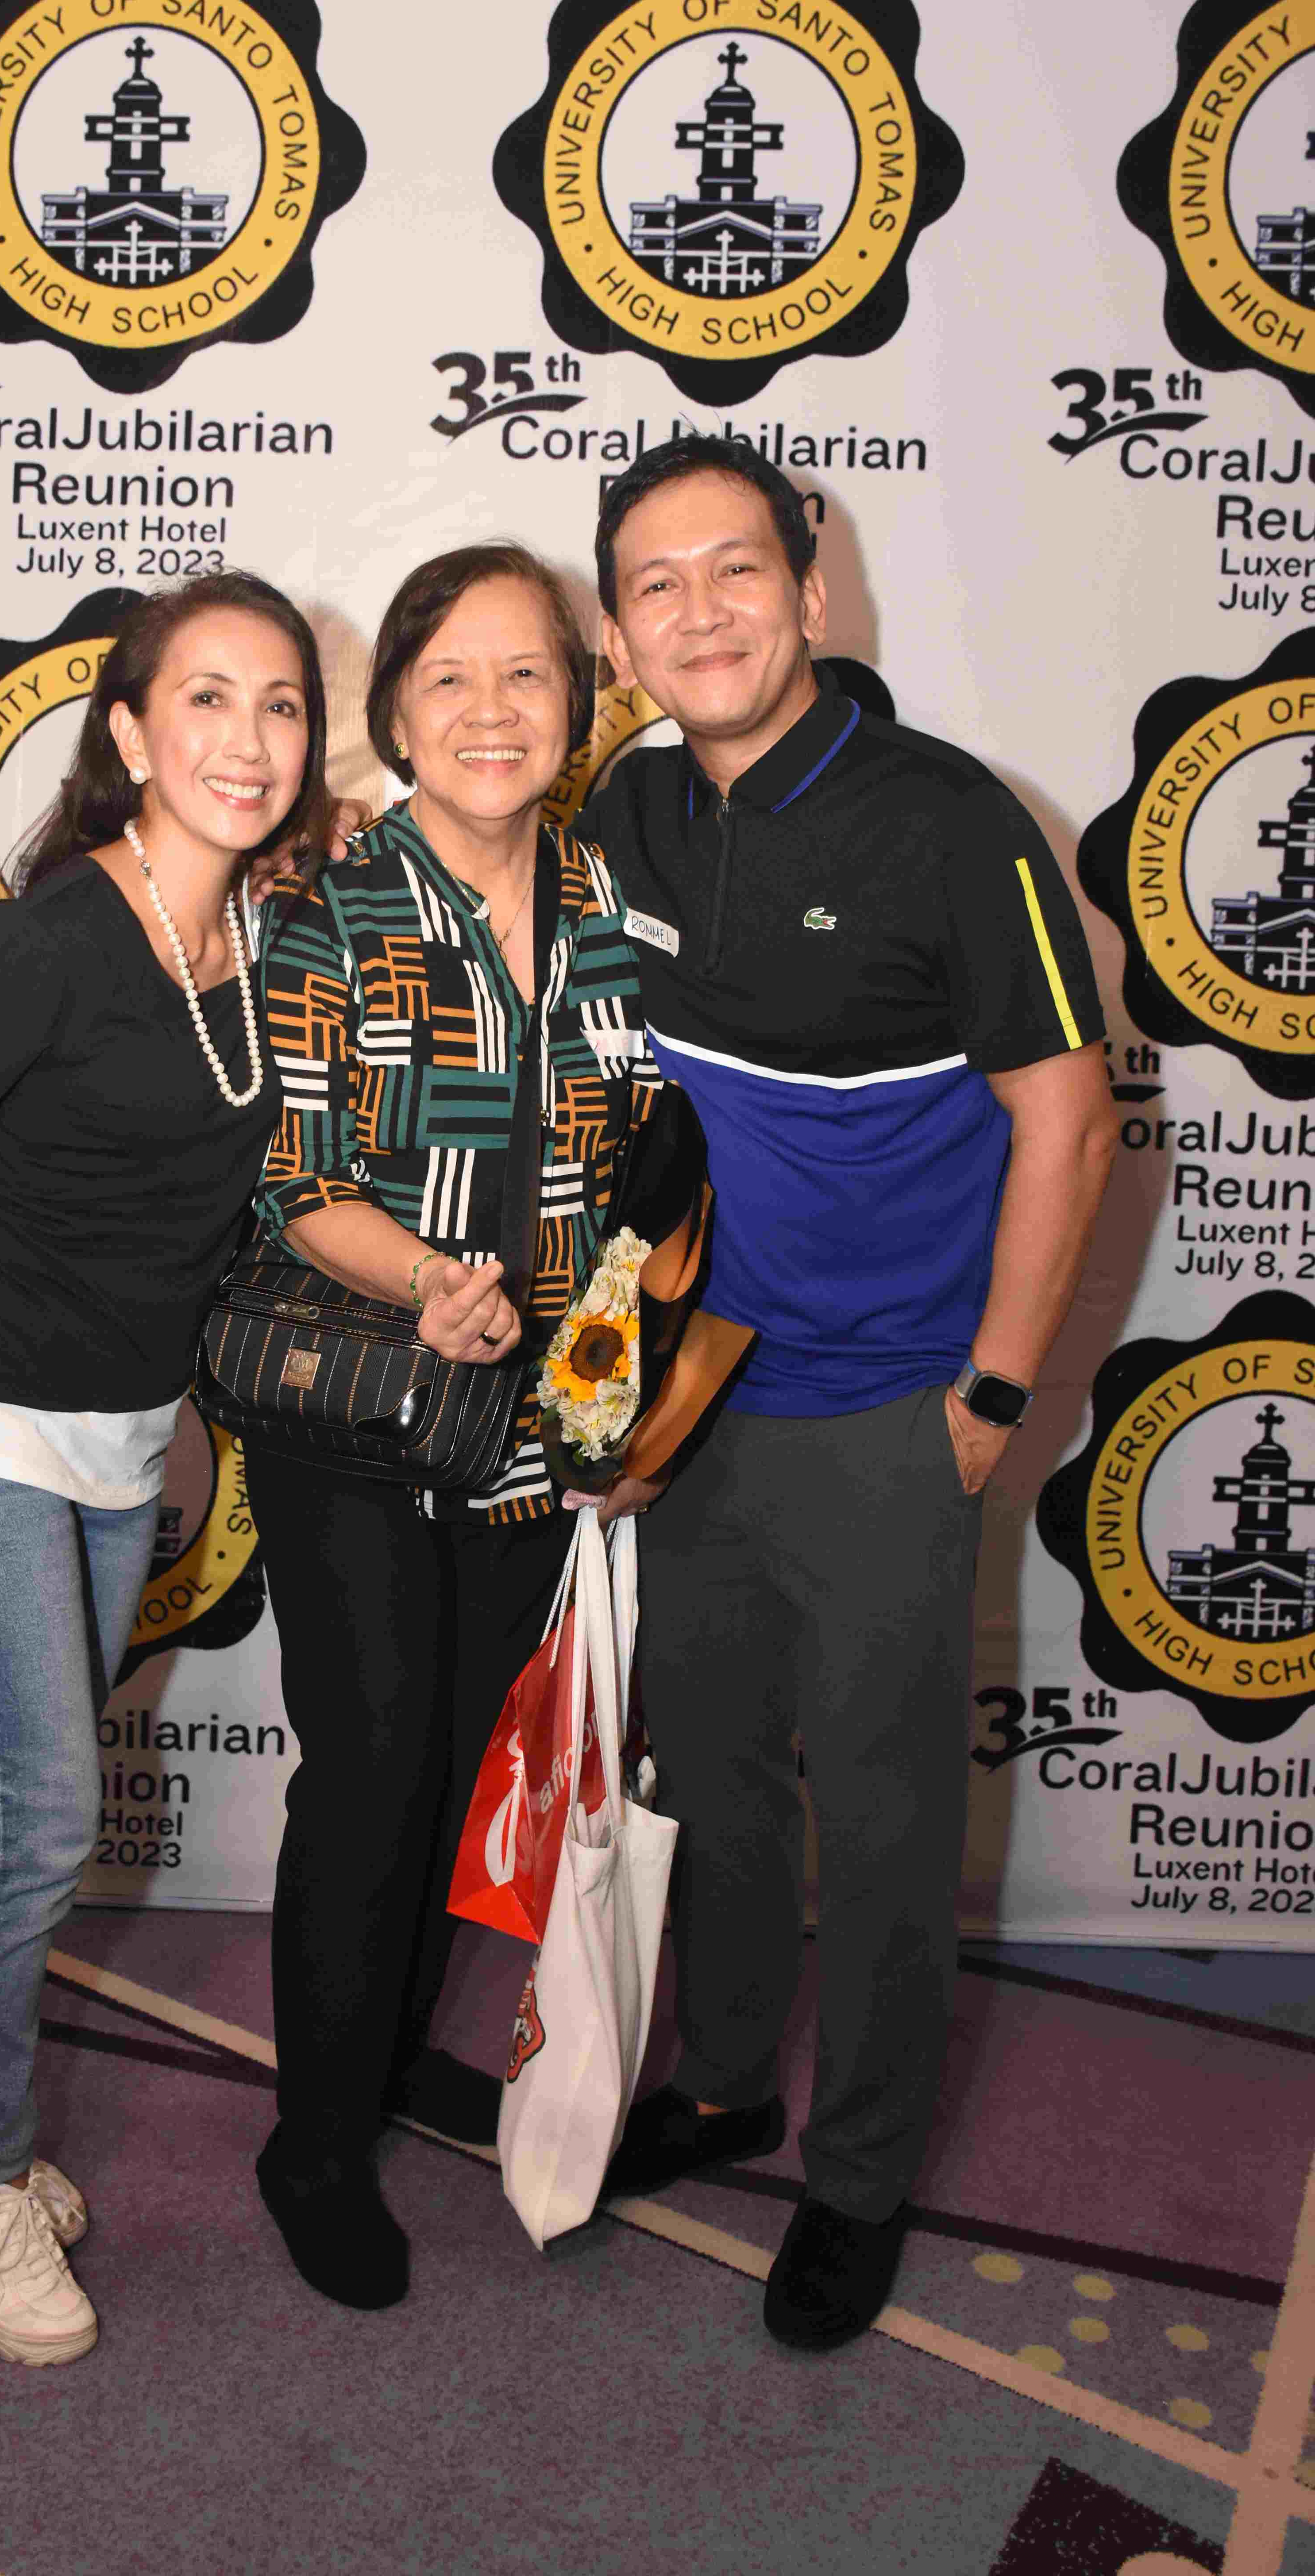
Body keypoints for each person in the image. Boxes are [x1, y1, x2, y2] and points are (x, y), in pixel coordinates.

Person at [574, 434, 1117, 2348]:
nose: (701, 611)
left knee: (883, 1832)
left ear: (811, 590)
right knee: (710, 1779)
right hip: (693, 1407)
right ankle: (725, 2087)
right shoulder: (629, 809)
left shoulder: (951, 818)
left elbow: (1067, 1118)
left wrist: (991, 1395)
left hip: (890, 1413)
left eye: (737, 568)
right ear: (618, 637)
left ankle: (862, 2176)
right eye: (655, 584)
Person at [0, 573, 324, 2366]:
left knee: (9, 1803)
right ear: (130, 734)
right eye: (207, 699)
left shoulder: (259, 938)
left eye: (281, 704)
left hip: (114, 1439)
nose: (247, 738)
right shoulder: (49, 939)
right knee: (39, 1809)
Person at [246, 542, 657, 2310]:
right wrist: (425, 1277)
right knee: (370, 1769)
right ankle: (312, 2146)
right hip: (360, 1411)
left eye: (527, 675)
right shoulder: (333, 905)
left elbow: (655, 1157)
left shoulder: (618, 901)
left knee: (461, 1761)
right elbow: (295, 1176)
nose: (492, 712)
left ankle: (388, 2052)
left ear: (577, 703)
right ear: (398, 715)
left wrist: (620, 1384)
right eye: (450, 680)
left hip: (538, 1432)